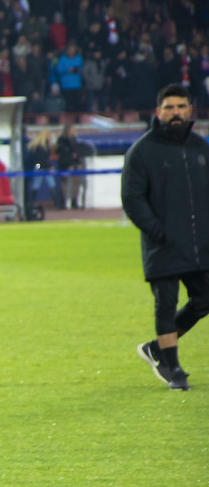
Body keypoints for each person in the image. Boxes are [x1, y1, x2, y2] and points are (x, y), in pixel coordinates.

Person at [122, 84, 209, 392]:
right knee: (166, 303)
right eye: (169, 107)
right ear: (158, 112)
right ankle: (171, 365)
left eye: (181, 107)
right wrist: (156, 230)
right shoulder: (142, 151)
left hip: (199, 244)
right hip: (163, 244)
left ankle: (157, 348)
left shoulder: (201, 149)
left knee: (205, 298)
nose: (175, 113)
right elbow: (132, 198)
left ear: (190, 111)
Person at [55, 123, 81, 209]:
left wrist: (77, 162)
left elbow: (76, 152)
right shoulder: (62, 139)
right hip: (65, 164)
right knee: (64, 182)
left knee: (76, 181)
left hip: (74, 163)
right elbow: (60, 152)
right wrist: (69, 162)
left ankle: (74, 201)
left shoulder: (74, 139)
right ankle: (62, 202)